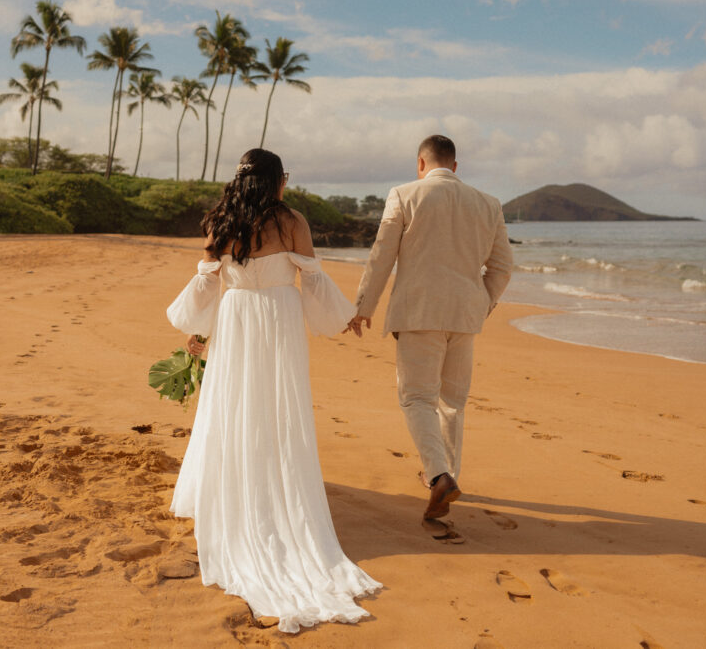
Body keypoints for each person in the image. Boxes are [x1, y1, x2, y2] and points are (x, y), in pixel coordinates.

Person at [165, 148, 380, 633]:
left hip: (236, 316)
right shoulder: (292, 221)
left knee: (232, 407)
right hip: (278, 320)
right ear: (277, 181)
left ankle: (237, 488)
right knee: (279, 410)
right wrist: (344, 317)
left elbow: (207, 280)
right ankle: (277, 496)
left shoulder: (221, 220)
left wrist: (197, 330)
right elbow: (313, 279)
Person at [347, 135, 513, 521]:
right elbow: (503, 267)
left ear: (420, 164)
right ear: (454, 167)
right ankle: (446, 475)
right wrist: (480, 304)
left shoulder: (404, 195)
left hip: (418, 314)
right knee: (452, 403)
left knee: (418, 398)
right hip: (465, 317)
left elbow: (382, 255)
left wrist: (363, 307)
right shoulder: (488, 204)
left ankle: (438, 475)